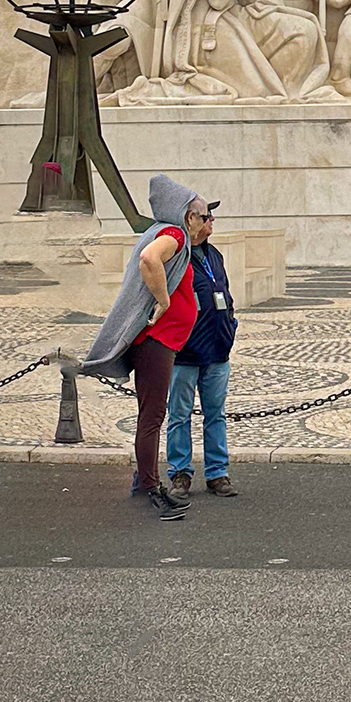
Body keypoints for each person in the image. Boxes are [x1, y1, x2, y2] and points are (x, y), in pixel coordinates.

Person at [79, 173, 214, 521]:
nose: (206, 221)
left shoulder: (165, 233)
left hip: (158, 342)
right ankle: (153, 490)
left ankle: (144, 482)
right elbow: (150, 261)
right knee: (152, 417)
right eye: (201, 215)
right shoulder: (173, 235)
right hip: (157, 342)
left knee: (149, 415)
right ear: (187, 216)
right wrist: (164, 301)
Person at [165, 211, 239, 498]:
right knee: (179, 415)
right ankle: (180, 473)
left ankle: (217, 473)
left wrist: (230, 325)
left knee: (215, 414)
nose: (212, 221)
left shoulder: (214, 255)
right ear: (190, 220)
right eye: (207, 216)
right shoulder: (176, 255)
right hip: (185, 351)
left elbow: (225, 291)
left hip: (218, 348)